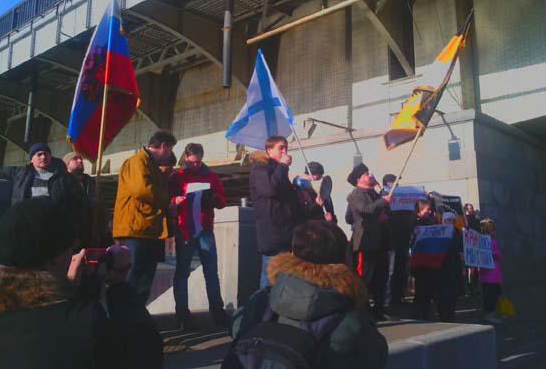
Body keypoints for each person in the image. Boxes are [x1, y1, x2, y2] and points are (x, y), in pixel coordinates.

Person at [0, 197, 163, 369]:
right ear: (54, 258)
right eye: (70, 249)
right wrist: (118, 286)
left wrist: (66, 290)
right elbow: (146, 355)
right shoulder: (84, 322)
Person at [223, 220, 388, 369]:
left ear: (292, 254)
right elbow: (377, 357)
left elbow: (237, 327)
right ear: (342, 261)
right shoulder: (352, 317)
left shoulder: (264, 299)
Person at [113, 129, 176, 308]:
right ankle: (123, 316)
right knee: (132, 276)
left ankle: (137, 314)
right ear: (164, 146)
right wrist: (168, 201)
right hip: (135, 230)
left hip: (147, 230)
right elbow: (141, 190)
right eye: (170, 150)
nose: (170, 155)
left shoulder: (151, 165)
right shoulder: (137, 161)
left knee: (145, 279)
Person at [169, 143, 229, 328]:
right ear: (186, 158)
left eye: (198, 162)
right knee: (182, 272)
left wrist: (214, 198)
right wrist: (175, 200)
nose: (195, 165)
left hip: (205, 229)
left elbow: (222, 201)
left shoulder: (212, 177)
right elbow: (166, 198)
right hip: (185, 229)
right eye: (192, 162)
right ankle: (182, 314)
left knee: (211, 272)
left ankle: (217, 312)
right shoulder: (177, 177)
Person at [249, 136, 300, 289]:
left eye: (286, 148)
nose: (284, 151)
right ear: (269, 150)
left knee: (282, 280)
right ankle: (263, 305)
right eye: (280, 148)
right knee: (269, 280)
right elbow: (270, 189)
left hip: (285, 233)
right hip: (272, 232)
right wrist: (283, 166)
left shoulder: (278, 171)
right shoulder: (260, 168)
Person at [345, 163, 392, 319]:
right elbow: (366, 210)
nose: (370, 175)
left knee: (381, 277)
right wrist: (383, 201)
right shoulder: (356, 194)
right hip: (366, 243)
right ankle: (364, 310)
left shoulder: (374, 194)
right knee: (365, 277)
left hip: (380, 241)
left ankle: (379, 310)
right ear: (359, 179)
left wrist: (384, 207)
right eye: (366, 174)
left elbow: (384, 209)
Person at [0, 143, 84, 212]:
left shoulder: (63, 176)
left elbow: (78, 201)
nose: (43, 157)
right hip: (25, 219)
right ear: (31, 159)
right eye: (39, 154)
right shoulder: (21, 172)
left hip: (53, 221)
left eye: (46, 154)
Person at [380, 174, 414, 314]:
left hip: (403, 238)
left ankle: (398, 297)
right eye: (393, 183)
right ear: (387, 185)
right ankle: (387, 301)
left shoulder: (404, 200)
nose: (397, 186)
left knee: (401, 269)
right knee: (391, 271)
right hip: (391, 240)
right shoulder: (382, 198)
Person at [63, 151, 110, 247]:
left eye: (80, 158)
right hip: (72, 234)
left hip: (92, 233)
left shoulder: (90, 182)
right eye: (75, 159)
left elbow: (102, 207)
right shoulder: (63, 182)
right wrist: (89, 203)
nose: (80, 161)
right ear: (67, 164)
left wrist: (101, 231)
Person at [411, 199, 439, 320]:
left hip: (429, 257)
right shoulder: (414, 221)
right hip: (419, 258)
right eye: (428, 209)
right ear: (421, 209)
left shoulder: (429, 221)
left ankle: (426, 311)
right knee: (420, 287)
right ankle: (419, 312)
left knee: (428, 286)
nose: (429, 211)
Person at [479, 218, 503, 325]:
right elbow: (496, 255)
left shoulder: (486, 240)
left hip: (491, 273)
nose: (495, 231)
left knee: (493, 294)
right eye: (493, 229)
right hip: (491, 274)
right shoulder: (489, 241)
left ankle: (490, 314)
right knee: (491, 295)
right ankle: (489, 314)